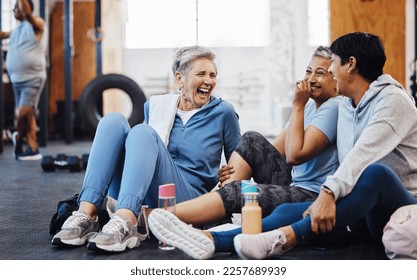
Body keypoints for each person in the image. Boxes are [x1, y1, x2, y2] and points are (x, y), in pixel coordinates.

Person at [148, 32, 417, 260]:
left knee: (375, 173)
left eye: (331, 65)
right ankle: (211, 239)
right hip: (359, 207)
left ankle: (284, 236)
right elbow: (278, 151)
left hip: (398, 205)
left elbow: (360, 157)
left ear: (350, 64)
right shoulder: (348, 105)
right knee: (286, 209)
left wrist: (327, 194)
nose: (330, 72)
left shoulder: (393, 102)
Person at [51, 45, 241, 253]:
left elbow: (240, 164)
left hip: (189, 198)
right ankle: (86, 215)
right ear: (180, 79)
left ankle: (126, 221)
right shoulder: (156, 106)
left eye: (213, 75)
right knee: (113, 121)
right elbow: (148, 155)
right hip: (145, 191)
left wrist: (226, 176)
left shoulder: (223, 112)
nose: (209, 81)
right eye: (201, 74)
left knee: (142, 132)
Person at [168, 46, 341, 228]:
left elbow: (293, 155)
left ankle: (164, 216)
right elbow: (272, 153)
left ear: (336, 82)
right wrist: (234, 171)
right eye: (308, 71)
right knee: (251, 140)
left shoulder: (333, 106)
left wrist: (297, 105)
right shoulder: (310, 106)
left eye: (320, 73)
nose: (311, 79)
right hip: (294, 183)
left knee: (239, 192)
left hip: (312, 193)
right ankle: (218, 209)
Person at [0, 0, 47, 160]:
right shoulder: (16, 30)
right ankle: (32, 148)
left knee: (24, 112)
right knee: (27, 115)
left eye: (16, 7)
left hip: (32, 78)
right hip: (16, 80)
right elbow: (2, 34)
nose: (14, 11)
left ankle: (18, 139)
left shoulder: (37, 23)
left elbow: (27, 13)